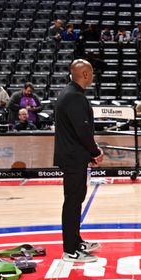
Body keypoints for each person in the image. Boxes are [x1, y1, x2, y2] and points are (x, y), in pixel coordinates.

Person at [53, 60, 104, 263]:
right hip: (73, 157)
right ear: (84, 74)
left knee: (76, 200)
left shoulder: (71, 93)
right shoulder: (74, 96)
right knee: (73, 202)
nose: (93, 76)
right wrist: (95, 151)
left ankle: (76, 241)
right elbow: (82, 132)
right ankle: (71, 250)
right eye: (91, 72)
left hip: (75, 156)